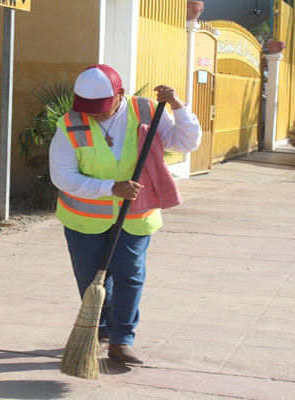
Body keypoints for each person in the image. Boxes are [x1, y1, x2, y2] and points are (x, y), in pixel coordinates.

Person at [49, 64, 202, 365]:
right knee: (91, 279)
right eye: (89, 108)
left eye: (102, 108)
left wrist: (178, 107)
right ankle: (100, 330)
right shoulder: (69, 124)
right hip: (84, 219)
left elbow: (185, 143)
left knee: (130, 275)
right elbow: (62, 176)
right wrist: (110, 187)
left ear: (119, 94)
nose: (95, 115)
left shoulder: (146, 110)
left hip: (135, 215)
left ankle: (122, 339)